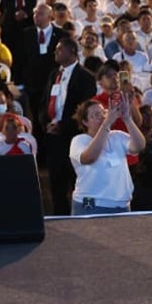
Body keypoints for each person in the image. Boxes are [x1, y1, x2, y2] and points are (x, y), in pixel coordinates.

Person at [41, 36, 97, 215]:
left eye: (59, 49)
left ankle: (83, 214)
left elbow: (84, 108)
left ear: (72, 52)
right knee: (56, 180)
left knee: (77, 179)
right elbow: (44, 102)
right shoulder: (53, 74)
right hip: (53, 136)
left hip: (74, 136)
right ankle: (60, 216)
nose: (55, 52)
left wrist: (63, 126)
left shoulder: (85, 77)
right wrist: (46, 122)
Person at [68, 91, 145, 215]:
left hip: (121, 205)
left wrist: (127, 119)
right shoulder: (80, 140)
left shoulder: (117, 136)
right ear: (85, 122)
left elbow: (139, 146)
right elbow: (89, 157)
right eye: (95, 115)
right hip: (92, 204)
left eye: (103, 112)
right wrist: (107, 122)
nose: (102, 117)